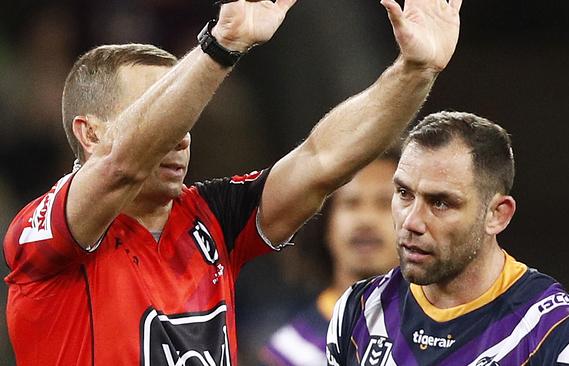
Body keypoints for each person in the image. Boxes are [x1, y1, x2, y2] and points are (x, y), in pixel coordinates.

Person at [2, 0, 463, 364]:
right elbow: (119, 165)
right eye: (161, 112)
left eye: (187, 114)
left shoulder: (212, 218)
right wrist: (221, 45)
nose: (181, 135)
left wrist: (414, 71)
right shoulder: (43, 233)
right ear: (90, 133)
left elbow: (323, 160)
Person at [326, 111, 569, 366]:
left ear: (497, 215)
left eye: (440, 202)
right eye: (404, 193)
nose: (412, 221)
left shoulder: (555, 338)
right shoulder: (358, 311)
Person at [259, 153, 400, 365]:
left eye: (384, 203)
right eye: (351, 203)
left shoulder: (445, 334)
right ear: (325, 225)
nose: (365, 220)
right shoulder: (289, 353)